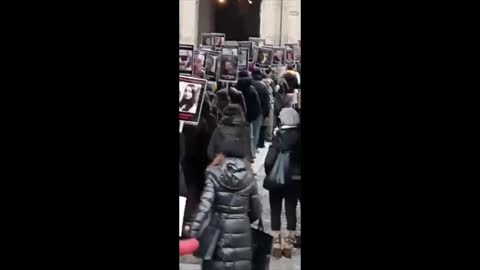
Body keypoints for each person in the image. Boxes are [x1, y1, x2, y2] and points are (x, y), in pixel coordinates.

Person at [189, 137, 262, 270]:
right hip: (242, 232)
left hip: (217, 235)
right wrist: (242, 218)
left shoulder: (213, 173)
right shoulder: (249, 176)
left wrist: (193, 231)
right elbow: (256, 210)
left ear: (221, 153)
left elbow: (205, 206)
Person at [264, 107, 301, 259]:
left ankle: (277, 245)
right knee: (291, 210)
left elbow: (268, 161)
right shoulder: (299, 137)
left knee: (275, 211)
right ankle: (288, 245)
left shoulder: (278, 136)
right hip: (295, 180)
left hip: (278, 180)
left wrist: (271, 173)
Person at [235, 71, 261, 160]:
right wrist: (251, 118)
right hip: (248, 119)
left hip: (236, 117)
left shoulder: (234, 88)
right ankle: (249, 157)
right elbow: (256, 106)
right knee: (249, 138)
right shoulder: (252, 89)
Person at [251, 68, 271, 150]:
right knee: (256, 131)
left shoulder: (250, 84)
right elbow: (267, 101)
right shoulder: (263, 86)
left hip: (248, 110)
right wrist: (266, 113)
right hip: (260, 112)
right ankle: (253, 150)